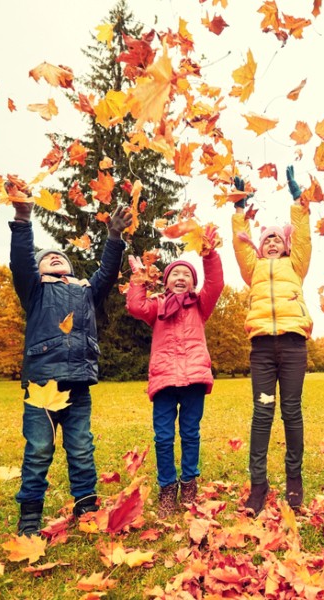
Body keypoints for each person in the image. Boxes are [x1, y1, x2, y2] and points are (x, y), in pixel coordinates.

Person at [9, 199, 131, 536]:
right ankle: (30, 514)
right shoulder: (34, 290)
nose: (54, 256)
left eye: (60, 256)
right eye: (47, 258)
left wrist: (114, 236)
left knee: (80, 447)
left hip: (77, 384)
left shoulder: (86, 292)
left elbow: (107, 271)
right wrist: (22, 219)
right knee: (38, 449)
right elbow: (20, 261)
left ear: (71, 268)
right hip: (42, 386)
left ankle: (86, 504)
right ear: (39, 270)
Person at [231, 165, 312, 515]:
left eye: (278, 238)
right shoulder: (254, 269)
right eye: (267, 240)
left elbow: (305, 237)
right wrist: (238, 209)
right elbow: (240, 245)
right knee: (262, 413)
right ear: (260, 248)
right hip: (262, 348)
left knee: (291, 411)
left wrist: (298, 201)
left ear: (286, 244)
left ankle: (294, 479)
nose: (273, 242)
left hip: (293, 346)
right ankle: (259, 484)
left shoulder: (296, 266)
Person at [126, 235, 224, 519]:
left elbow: (216, 284)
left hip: (194, 377)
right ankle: (168, 486)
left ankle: (189, 483)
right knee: (164, 437)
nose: (181, 277)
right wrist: (140, 280)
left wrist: (208, 255)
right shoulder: (157, 306)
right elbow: (135, 306)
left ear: (193, 283)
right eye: (175, 274)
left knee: (191, 433)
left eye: (186, 274)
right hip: (164, 379)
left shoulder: (200, 304)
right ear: (166, 281)